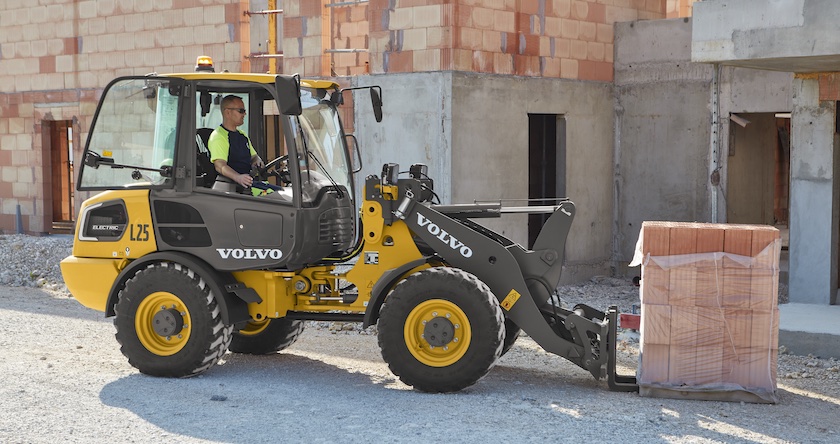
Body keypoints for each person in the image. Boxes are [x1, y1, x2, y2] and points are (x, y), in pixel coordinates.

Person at [208, 95, 281, 196]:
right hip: (235, 189)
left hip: (249, 183)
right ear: (228, 112)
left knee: (283, 192)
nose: (245, 114)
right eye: (241, 111)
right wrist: (238, 177)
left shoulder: (242, 135)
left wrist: (257, 161)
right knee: (280, 198)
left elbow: (254, 156)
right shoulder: (219, 137)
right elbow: (220, 166)